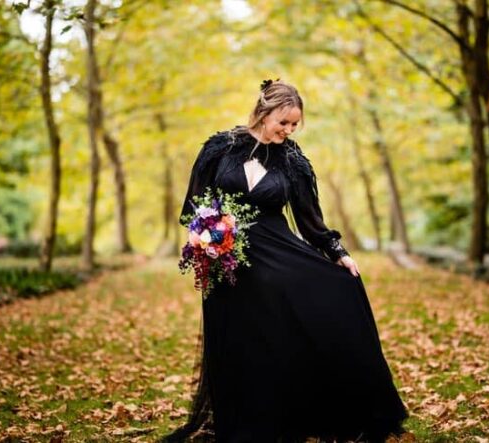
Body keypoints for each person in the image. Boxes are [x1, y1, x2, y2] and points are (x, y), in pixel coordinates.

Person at [162, 79, 408, 443]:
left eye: (295, 124)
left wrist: (337, 252)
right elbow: (194, 205)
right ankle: (246, 423)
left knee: (325, 303)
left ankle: (327, 413)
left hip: (277, 253)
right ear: (264, 113)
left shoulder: (292, 160)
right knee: (241, 344)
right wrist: (202, 236)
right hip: (226, 262)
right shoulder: (220, 149)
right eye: (284, 122)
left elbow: (309, 218)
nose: (289, 130)